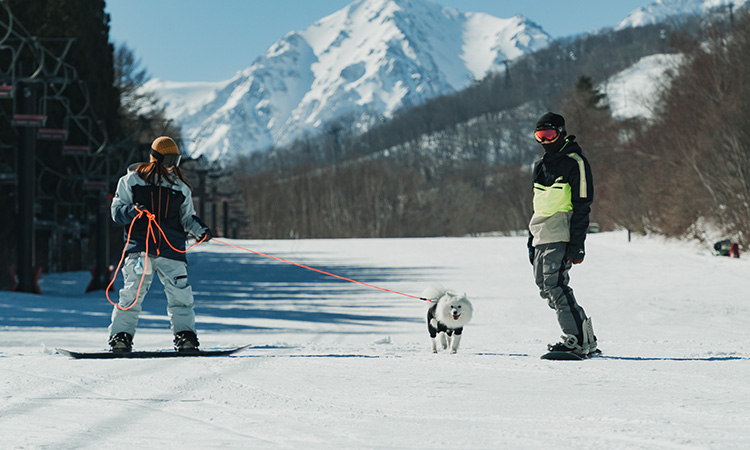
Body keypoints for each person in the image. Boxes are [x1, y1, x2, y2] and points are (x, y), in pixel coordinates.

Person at [108, 136, 212, 352]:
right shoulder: (131, 181)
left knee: (180, 295)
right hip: (141, 249)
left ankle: (186, 337)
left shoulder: (180, 187)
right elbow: (116, 212)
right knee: (131, 294)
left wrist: (200, 230)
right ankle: (121, 337)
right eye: (168, 159)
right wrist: (132, 211)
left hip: (171, 250)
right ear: (155, 157)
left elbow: (187, 218)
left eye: (176, 159)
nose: (171, 165)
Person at [527, 112, 597, 357]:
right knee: (545, 288)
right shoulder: (541, 166)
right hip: (541, 235)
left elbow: (582, 205)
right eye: (540, 136)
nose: (545, 141)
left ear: (561, 132)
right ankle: (585, 337)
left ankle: (575, 339)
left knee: (555, 285)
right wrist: (531, 240)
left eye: (550, 135)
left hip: (561, 233)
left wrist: (577, 243)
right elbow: (539, 206)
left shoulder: (575, 162)